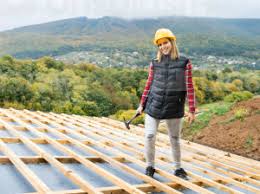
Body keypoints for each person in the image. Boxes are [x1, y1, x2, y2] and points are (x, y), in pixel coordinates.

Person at [136, 28, 196, 180]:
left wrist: (192, 109)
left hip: (174, 106)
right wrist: (141, 104)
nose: (163, 47)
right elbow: (148, 85)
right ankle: (150, 166)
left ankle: (178, 168)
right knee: (149, 135)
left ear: (172, 42)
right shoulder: (155, 63)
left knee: (174, 138)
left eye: (165, 43)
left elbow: (189, 86)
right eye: (160, 44)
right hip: (153, 105)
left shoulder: (184, 62)